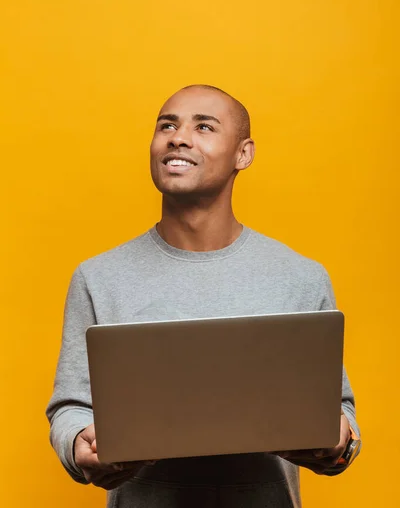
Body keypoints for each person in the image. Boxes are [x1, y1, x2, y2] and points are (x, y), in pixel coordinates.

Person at [46, 84, 361, 508]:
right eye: (166, 125)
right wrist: (77, 444)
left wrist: (338, 442)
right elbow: (70, 407)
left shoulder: (301, 277)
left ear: (243, 154)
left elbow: (339, 414)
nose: (178, 137)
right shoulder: (99, 276)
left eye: (204, 127)